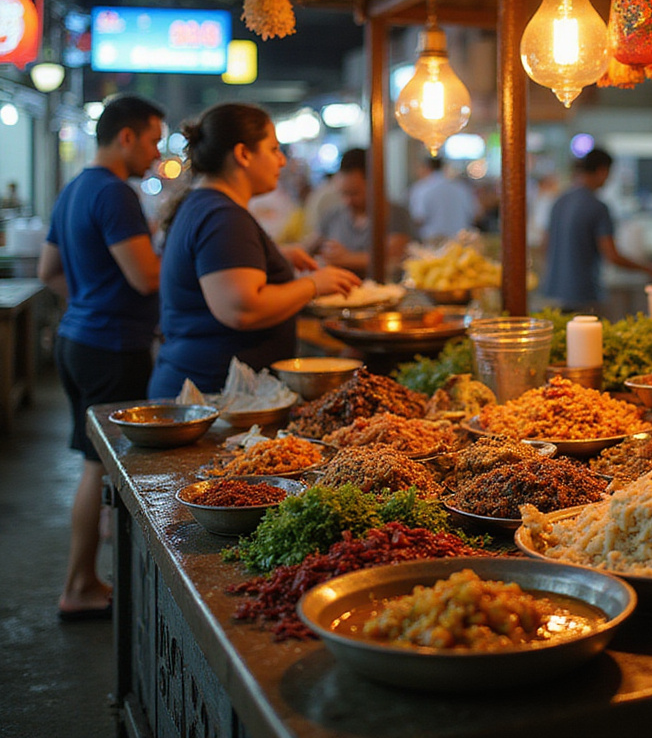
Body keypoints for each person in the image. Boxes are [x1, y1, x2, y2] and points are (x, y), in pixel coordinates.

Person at [37, 94, 165, 621]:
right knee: (97, 467)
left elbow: (49, 271)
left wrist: (88, 304)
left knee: (94, 464)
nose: (157, 154)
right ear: (126, 136)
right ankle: (80, 584)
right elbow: (146, 277)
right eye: (154, 141)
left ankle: (87, 577)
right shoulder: (115, 194)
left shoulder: (73, 190)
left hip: (76, 339)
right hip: (112, 346)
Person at [147, 103, 358, 398]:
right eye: (273, 149)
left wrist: (276, 256)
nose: (282, 161)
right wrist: (313, 284)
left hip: (204, 390)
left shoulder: (206, 205)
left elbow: (216, 269)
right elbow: (242, 309)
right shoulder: (221, 214)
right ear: (243, 154)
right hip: (213, 397)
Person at [541, 147, 652, 314]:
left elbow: (545, 245)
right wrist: (650, 269)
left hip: (553, 293)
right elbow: (612, 255)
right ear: (602, 171)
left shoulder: (559, 201)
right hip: (584, 295)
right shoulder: (597, 207)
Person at [307, 147, 414, 277]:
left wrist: (346, 258)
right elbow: (308, 247)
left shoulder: (395, 214)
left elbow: (393, 255)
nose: (348, 201)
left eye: (354, 193)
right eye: (343, 194)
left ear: (375, 184)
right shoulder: (333, 215)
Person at [407, 155, 480, 243]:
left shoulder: (421, 188)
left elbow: (418, 218)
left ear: (425, 167)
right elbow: (476, 214)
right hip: (460, 240)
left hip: (433, 241)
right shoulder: (461, 187)